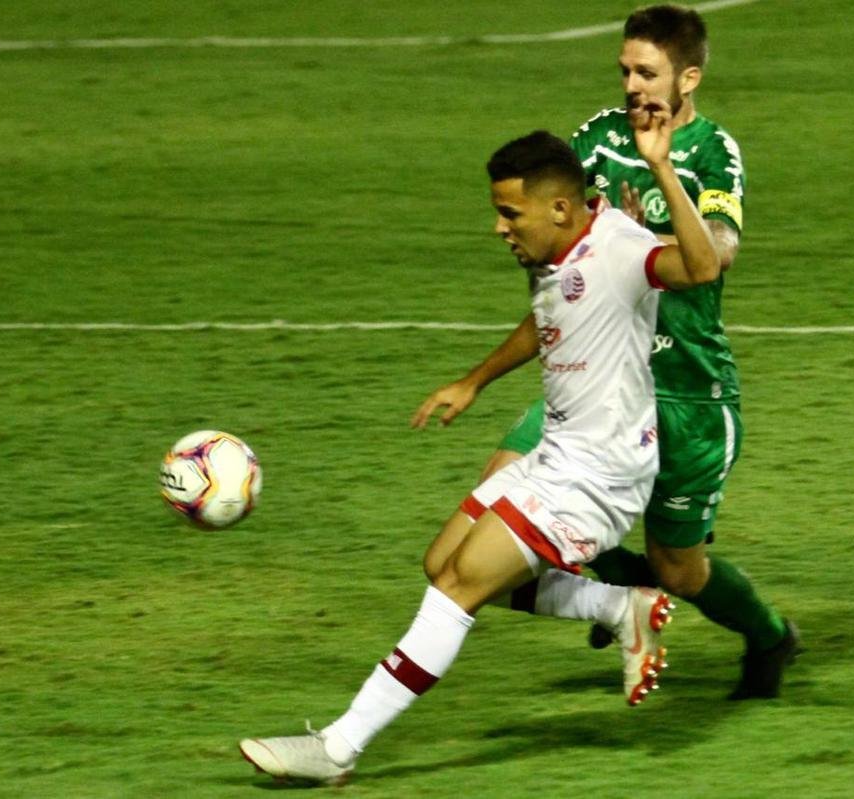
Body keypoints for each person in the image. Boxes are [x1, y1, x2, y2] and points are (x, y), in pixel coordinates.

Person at [240, 122, 721, 785]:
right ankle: (616, 606)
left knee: (460, 585)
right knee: (441, 562)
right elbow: (551, 318)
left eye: (508, 212)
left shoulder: (619, 248)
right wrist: (474, 379)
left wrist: (664, 169)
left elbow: (702, 266)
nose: (499, 228)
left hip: (599, 475)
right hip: (561, 455)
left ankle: (339, 745)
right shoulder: (561, 247)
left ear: (558, 207)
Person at [464, 4, 799, 701]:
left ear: (688, 78)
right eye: (625, 70)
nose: (633, 85)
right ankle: (621, 590)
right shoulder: (598, 141)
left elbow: (717, 253)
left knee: (679, 568)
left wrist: (662, 174)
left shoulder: (711, 152)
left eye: (648, 72)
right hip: (595, 379)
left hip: (686, 390)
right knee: (497, 496)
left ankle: (769, 635)